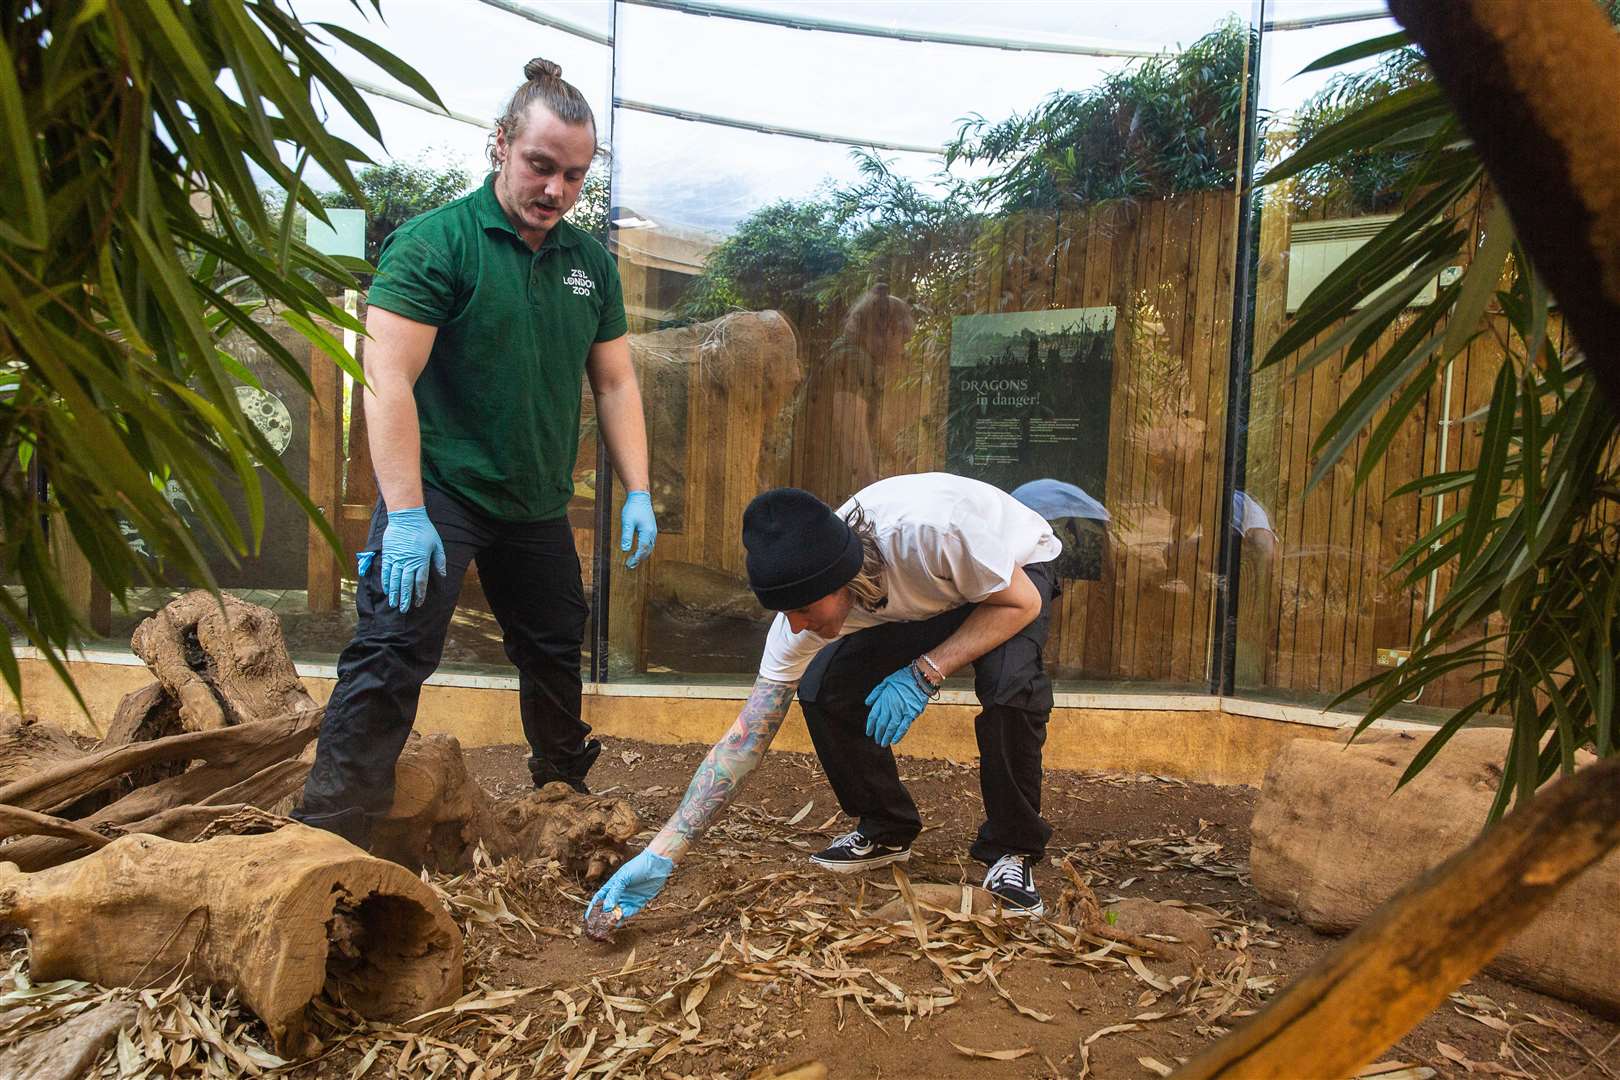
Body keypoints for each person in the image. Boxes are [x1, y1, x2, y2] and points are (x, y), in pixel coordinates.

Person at [294, 58, 656, 847]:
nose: (556, 189)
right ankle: (327, 832)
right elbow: (384, 379)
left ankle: (563, 797)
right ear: (499, 144)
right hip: (439, 491)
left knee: (556, 644)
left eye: (574, 174)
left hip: (533, 499)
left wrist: (639, 489)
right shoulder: (437, 244)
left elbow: (618, 381)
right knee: (394, 647)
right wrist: (408, 514)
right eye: (540, 165)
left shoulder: (588, 265)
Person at [587, 472, 1063, 926]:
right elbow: (746, 739)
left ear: (843, 581)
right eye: (784, 613)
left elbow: (1023, 604)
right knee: (823, 689)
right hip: (926, 593)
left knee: (1009, 692)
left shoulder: (931, 533)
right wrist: (662, 853)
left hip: (1013, 575)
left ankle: (1011, 849)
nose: (795, 626)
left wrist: (925, 671)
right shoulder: (807, 604)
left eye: (803, 610)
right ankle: (886, 830)